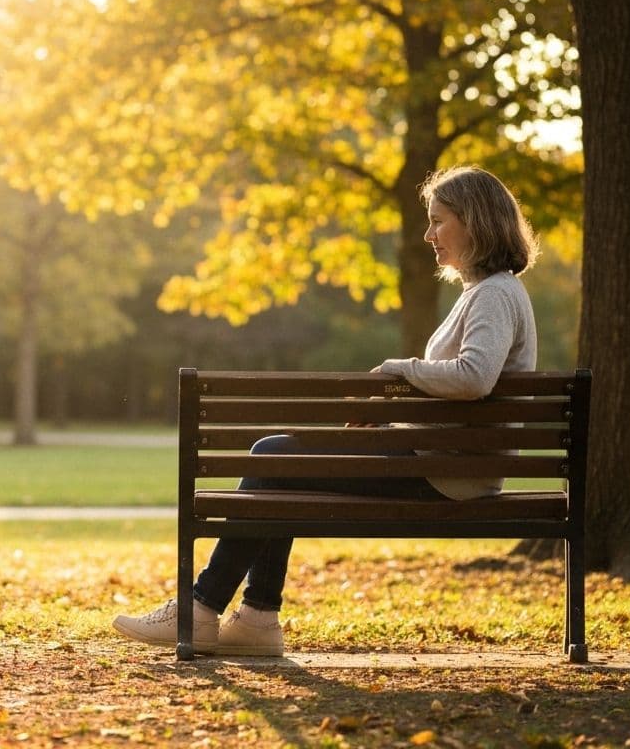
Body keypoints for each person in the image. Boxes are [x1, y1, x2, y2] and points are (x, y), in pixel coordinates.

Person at [113, 165, 540, 656]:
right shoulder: (490, 293)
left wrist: (399, 371)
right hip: (443, 463)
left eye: (439, 220)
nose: (429, 234)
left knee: (273, 458)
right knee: (276, 459)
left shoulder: (493, 294)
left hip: (447, 473)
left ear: (475, 221)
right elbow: (467, 392)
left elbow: (474, 377)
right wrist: (395, 416)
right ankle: (252, 618)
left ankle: (207, 609)